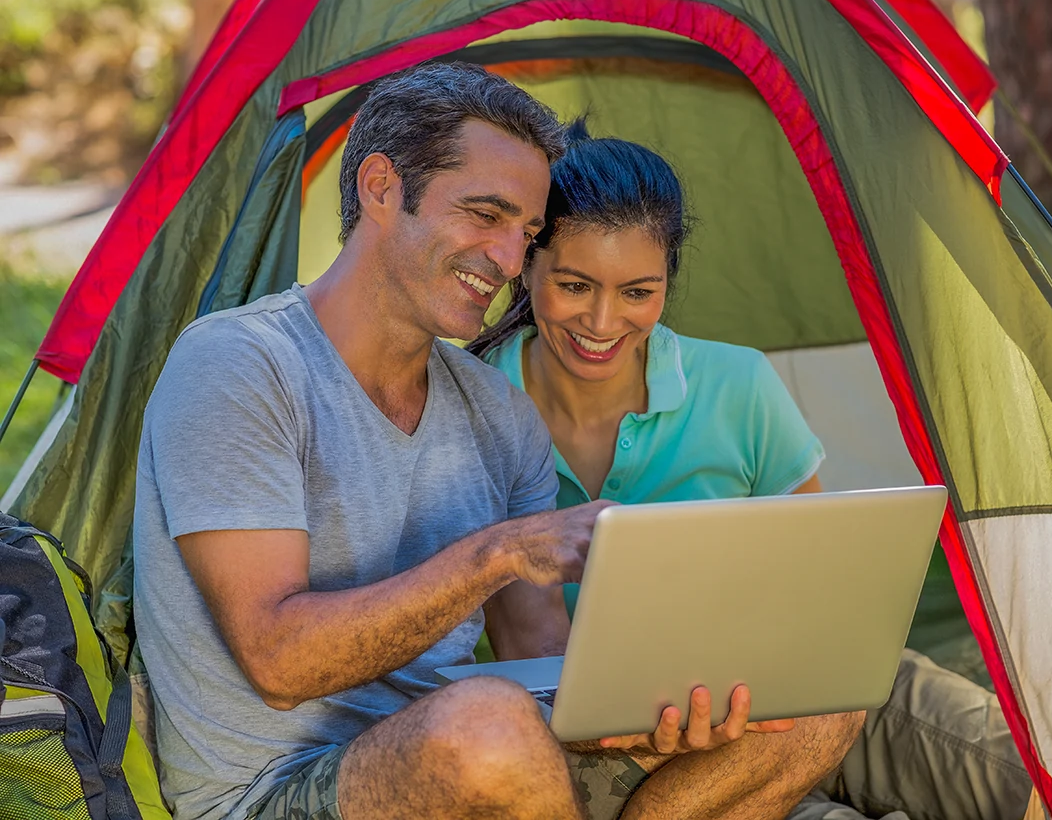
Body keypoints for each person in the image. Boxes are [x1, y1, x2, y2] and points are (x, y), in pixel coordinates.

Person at [132, 63, 863, 820]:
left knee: (815, 704)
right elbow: (277, 659)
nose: (511, 262)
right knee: (485, 728)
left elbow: (543, 669)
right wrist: (501, 551)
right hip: (285, 788)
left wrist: (664, 711)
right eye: (485, 215)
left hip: (497, 766)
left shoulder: (496, 413)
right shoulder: (240, 366)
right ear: (380, 189)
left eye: (528, 233)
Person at [472, 120, 1035, 820]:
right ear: (527, 266)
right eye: (575, 285)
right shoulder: (477, 410)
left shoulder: (738, 385)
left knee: (1025, 777)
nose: (602, 320)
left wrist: (792, 686)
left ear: (667, 283)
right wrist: (663, 726)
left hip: (798, 691)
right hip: (626, 746)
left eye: (637, 292)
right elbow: (535, 651)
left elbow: (821, 583)